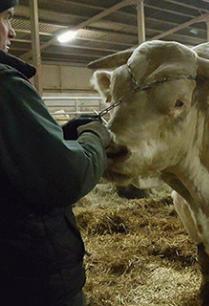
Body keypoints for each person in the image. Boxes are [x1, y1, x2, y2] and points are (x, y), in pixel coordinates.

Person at [0, 1, 111, 305]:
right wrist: (94, 137)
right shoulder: (5, 85)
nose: (11, 32)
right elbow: (66, 177)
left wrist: (60, 135)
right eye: (7, 19)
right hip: (27, 276)